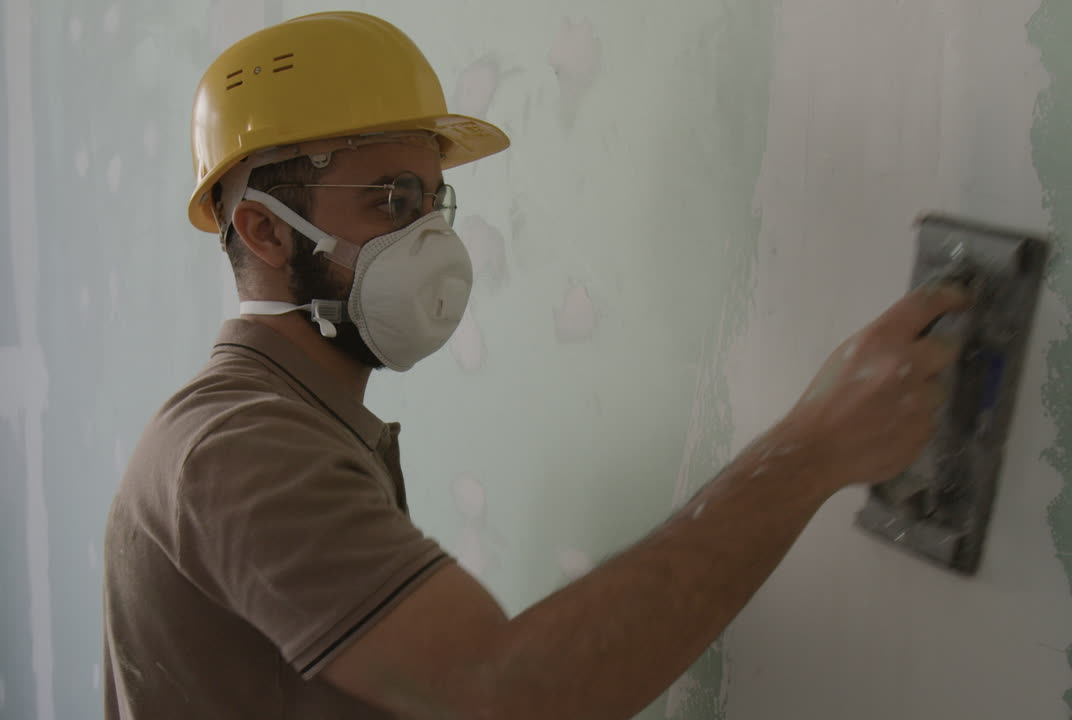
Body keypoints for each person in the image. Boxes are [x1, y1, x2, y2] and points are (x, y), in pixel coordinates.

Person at [102, 10, 967, 720]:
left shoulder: (287, 420)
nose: (431, 240)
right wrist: (814, 452)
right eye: (391, 200)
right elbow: (506, 694)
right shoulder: (242, 449)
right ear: (263, 229)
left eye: (433, 200)